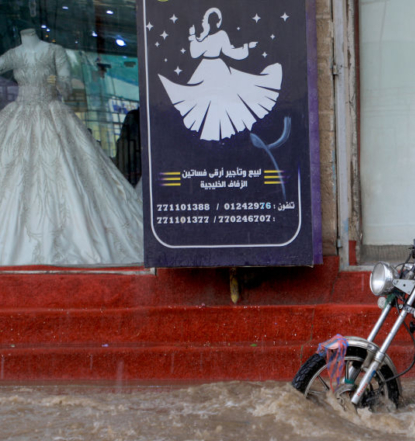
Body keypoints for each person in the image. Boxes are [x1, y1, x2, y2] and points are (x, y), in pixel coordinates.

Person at [0, 28, 143, 265]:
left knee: (65, 173)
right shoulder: (15, 54)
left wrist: (54, 82)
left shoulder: (54, 51)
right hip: (20, 117)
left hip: (52, 114)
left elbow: (66, 86)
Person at [158, 7, 282, 141]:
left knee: (223, 100)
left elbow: (230, 52)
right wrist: (193, 36)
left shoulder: (221, 34)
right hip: (206, 69)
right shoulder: (204, 36)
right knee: (206, 101)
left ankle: (220, 138)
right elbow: (196, 53)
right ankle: (212, 138)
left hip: (216, 69)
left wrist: (246, 47)